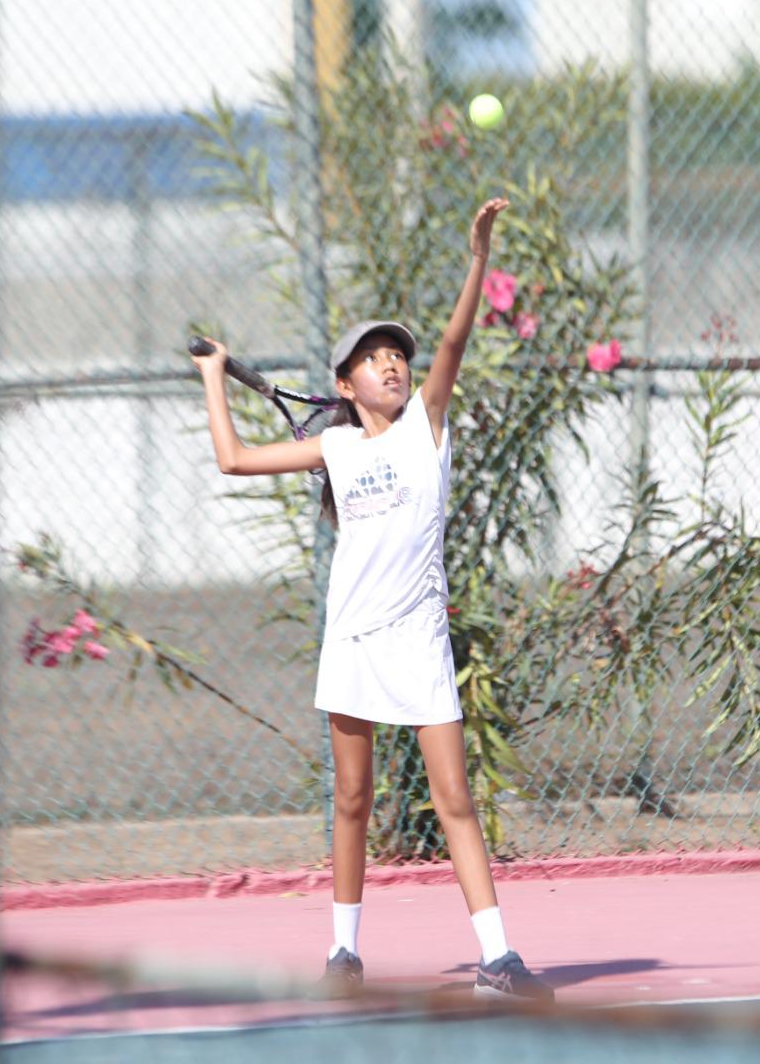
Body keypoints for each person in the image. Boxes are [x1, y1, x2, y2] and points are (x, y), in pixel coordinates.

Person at [191, 197, 552, 1001]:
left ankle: (499, 957)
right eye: (373, 358)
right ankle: (343, 955)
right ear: (345, 384)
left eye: (397, 355)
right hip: (353, 639)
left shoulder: (427, 426)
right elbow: (234, 459)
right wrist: (214, 377)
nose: (392, 364)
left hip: (418, 639)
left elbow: (455, 339)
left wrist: (478, 256)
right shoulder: (337, 445)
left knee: (454, 796)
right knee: (351, 798)